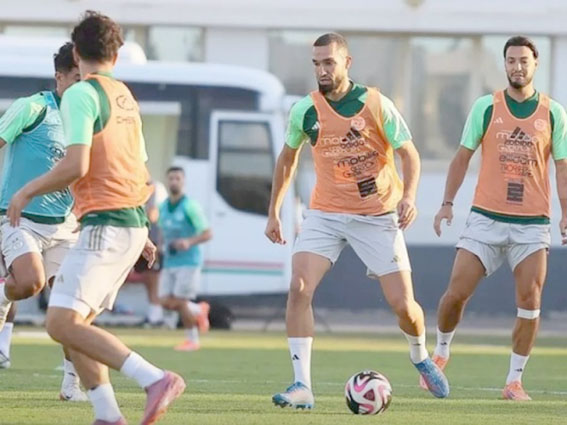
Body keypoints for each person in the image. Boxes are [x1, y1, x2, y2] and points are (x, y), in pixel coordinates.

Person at [6, 11, 185, 425]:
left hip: (105, 222)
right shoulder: (124, 96)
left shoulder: (80, 94)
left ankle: (155, 378)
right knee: (77, 323)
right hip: (128, 221)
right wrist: (142, 230)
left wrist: (26, 191)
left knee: (60, 322)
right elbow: (138, 167)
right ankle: (107, 415)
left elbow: (76, 165)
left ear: (76, 53)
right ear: (116, 55)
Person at [265, 32, 449, 409]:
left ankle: (419, 355)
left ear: (347, 63)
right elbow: (287, 160)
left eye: (329, 63)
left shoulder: (376, 104)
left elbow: (409, 154)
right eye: (316, 64)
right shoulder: (305, 110)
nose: (322, 70)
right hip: (326, 214)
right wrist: (274, 212)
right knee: (299, 287)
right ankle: (302, 386)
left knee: (404, 307)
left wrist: (409, 197)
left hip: (377, 215)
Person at [430, 35, 567, 401]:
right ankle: (440, 353)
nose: (517, 66)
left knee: (530, 301)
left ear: (535, 64)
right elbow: (462, 157)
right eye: (511, 60)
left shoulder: (553, 112)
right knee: (456, 294)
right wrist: (447, 203)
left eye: (523, 60)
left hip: (532, 223)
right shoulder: (486, 107)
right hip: (485, 218)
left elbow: (562, 167)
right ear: (504, 64)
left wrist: (565, 214)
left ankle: (514, 381)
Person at [0, 42, 86, 401]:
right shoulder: (32, 108)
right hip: (19, 218)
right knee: (30, 283)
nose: (83, 86)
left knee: (72, 307)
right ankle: (4, 296)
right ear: (59, 77)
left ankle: (71, 386)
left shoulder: (86, 118)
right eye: (77, 78)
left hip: (65, 226)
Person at [158, 166, 211, 350]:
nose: (174, 182)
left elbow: (207, 233)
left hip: (188, 261)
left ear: (184, 181)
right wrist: (159, 247)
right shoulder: (163, 207)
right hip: (170, 260)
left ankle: (192, 340)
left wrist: (188, 242)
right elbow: (163, 231)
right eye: (171, 178)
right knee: (164, 301)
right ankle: (198, 309)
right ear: (167, 181)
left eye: (178, 178)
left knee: (181, 302)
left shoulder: (190, 206)